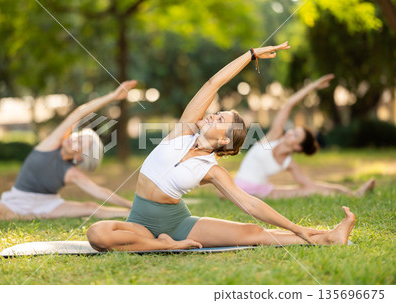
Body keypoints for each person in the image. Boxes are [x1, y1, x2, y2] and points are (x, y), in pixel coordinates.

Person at [86, 42, 356, 252]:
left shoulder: (212, 170)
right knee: (97, 234)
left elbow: (250, 203)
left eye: (220, 119)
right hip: (140, 225)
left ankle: (326, 238)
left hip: (178, 224)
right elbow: (214, 83)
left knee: (252, 233)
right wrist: (250, 55)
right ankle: (166, 245)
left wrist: (298, 228)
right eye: (218, 112)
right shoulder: (183, 132)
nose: (213, 115)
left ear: (224, 139)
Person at [0, 81, 137, 220]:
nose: (74, 138)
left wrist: (133, 206)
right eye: (79, 136)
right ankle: (21, 216)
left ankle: (135, 214)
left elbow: (102, 192)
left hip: (47, 204)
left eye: (80, 143)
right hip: (17, 199)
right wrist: (112, 96)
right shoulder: (51, 144)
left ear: (80, 157)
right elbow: (79, 113)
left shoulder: (70, 172)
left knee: (90, 207)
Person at [234, 74, 375, 199]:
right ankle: (353, 194)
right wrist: (313, 86)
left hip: (263, 191)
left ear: (298, 147)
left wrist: (339, 189)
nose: (289, 132)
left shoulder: (289, 163)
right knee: (229, 194)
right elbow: (288, 104)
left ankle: (354, 194)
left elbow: (309, 185)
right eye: (293, 130)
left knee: (308, 190)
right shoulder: (272, 137)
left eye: (295, 135)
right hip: (240, 188)